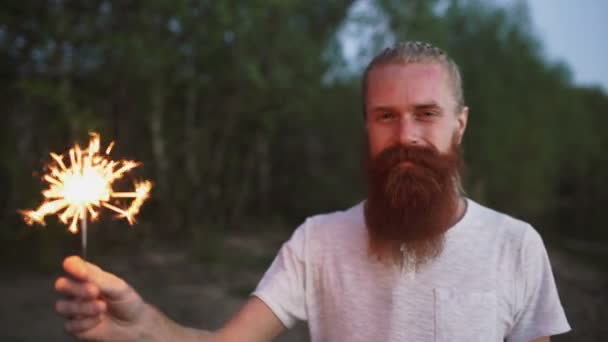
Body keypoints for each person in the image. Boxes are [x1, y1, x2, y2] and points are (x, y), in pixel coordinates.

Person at [54, 41, 571, 341]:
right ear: (366, 126)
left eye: (426, 114)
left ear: (460, 124)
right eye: (385, 116)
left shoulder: (515, 245)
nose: (406, 135)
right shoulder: (318, 242)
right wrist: (137, 325)